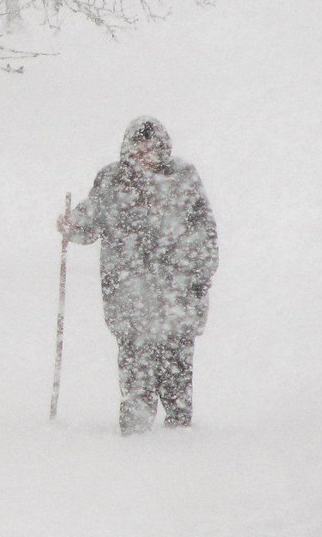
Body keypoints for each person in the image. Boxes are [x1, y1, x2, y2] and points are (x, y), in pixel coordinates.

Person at [57, 116, 218, 435]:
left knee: (176, 371)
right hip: (128, 296)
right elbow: (91, 222)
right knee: (135, 372)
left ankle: (180, 437)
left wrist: (199, 274)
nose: (145, 155)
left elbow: (205, 232)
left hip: (177, 295)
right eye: (139, 149)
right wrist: (72, 225)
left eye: (153, 148)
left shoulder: (183, 177)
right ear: (127, 150)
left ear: (164, 149)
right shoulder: (112, 180)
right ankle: (134, 439)